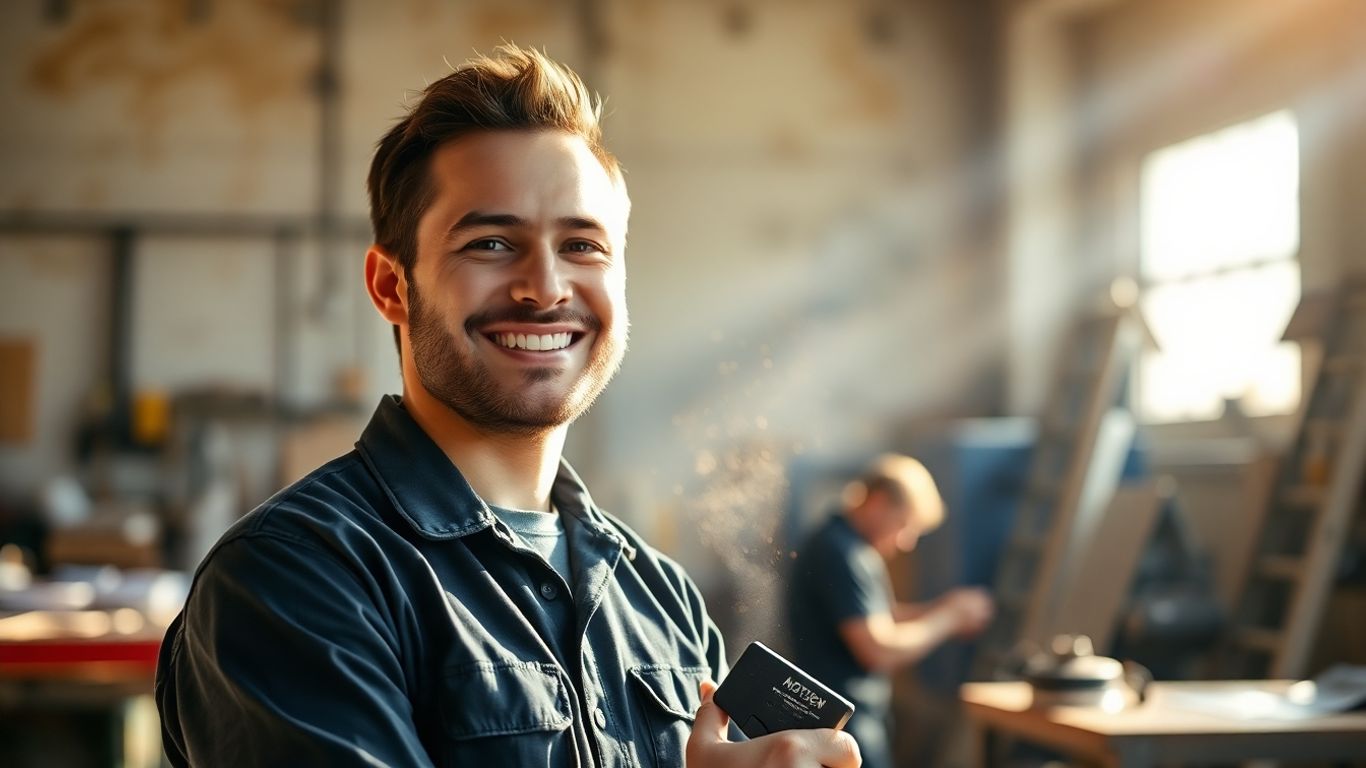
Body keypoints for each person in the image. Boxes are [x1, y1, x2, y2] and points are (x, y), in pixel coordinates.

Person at [155, 45, 859, 768]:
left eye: (582, 245)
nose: (545, 288)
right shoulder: (296, 577)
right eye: (491, 242)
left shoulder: (661, 597)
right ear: (392, 286)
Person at [786, 454, 993, 768]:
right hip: (840, 724)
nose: (906, 542)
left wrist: (944, 607)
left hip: (849, 719)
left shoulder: (849, 546)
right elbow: (878, 648)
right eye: (904, 525)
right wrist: (949, 619)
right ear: (878, 502)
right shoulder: (840, 552)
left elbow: (877, 617)